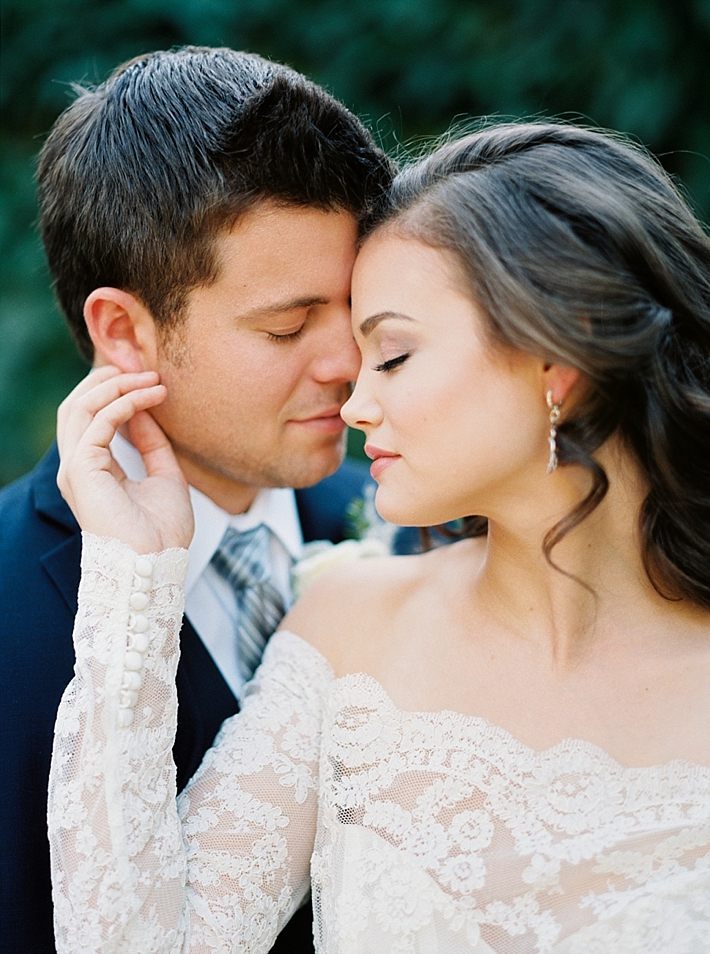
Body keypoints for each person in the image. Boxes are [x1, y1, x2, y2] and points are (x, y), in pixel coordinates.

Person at [49, 122, 710, 952]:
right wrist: (134, 581)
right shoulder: (347, 630)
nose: (354, 405)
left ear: (559, 359)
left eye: (391, 355)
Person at [0, 46, 395, 954]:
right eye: (288, 325)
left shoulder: (418, 520)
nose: (348, 363)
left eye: (360, 307)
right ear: (123, 331)